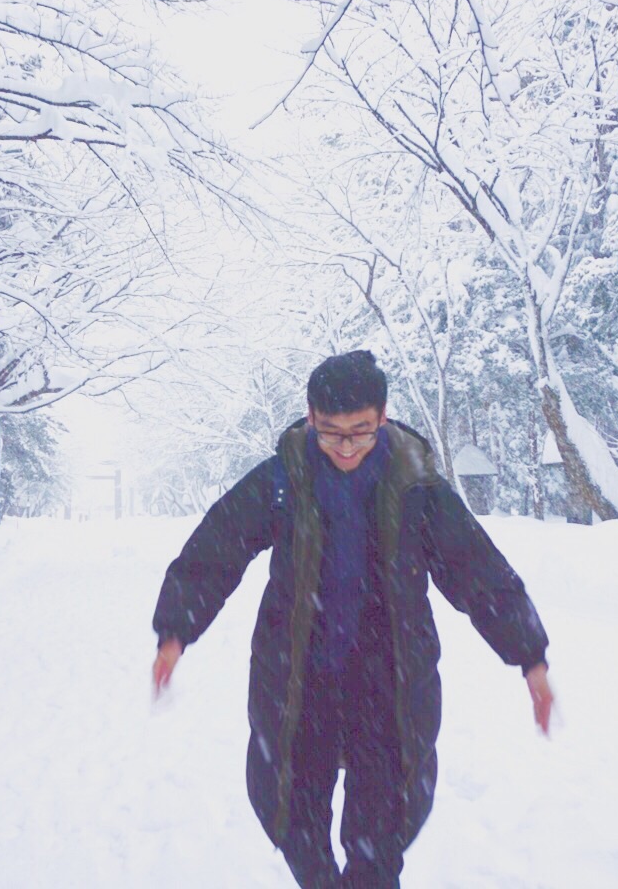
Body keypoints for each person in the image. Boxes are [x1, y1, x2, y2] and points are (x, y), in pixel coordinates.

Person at [150, 350, 553, 888]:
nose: (345, 447)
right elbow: (215, 549)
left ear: (383, 417)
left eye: (360, 432)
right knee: (294, 816)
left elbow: (475, 569)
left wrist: (529, 655)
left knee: (380, 838)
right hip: (299, 680)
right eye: (332, 432)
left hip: (387, 683)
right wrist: (175, 631)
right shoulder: (282, 479)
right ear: (310, 418)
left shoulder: (417, 485)